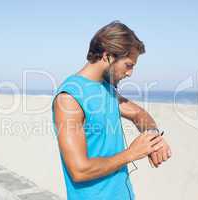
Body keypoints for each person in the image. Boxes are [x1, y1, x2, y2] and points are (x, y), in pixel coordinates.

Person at [51, 20, 172, 200]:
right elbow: (79, 170)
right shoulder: (69, 97)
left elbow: (139, 114)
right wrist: (131, 153)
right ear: (108, 56)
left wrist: (153, 138)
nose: (130, 73)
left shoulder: (106, 89)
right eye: (128, 65)